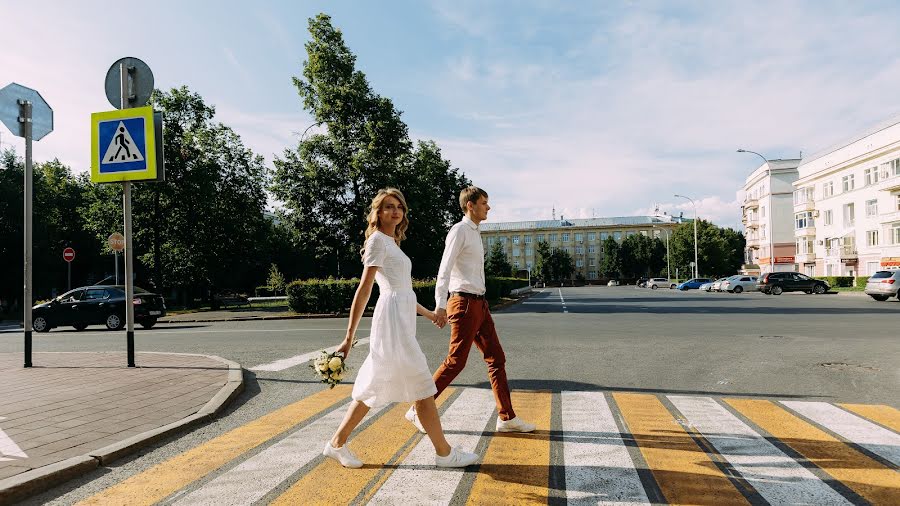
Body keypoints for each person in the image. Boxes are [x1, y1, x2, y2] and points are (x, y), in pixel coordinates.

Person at [323, 188, 479, 469]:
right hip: (391, 322)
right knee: (420, 382)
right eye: (388, 207)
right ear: (377, 213)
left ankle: (336, 443)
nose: (395, 211)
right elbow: (366, 288)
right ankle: (444, 453)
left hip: (401, 317)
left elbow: (402, 291)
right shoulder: (377, 242)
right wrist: (349, 337)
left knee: (379, 382)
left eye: (399, 207)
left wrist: (430, 314)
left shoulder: (392, 243)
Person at [406, 186, 535, 434]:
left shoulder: (476, 233)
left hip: (479, 303)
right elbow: (444, 269)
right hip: (463, 303)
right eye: (484, 202)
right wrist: (440, 305)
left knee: (496, 358)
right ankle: (418, 409)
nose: (489, 207)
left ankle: (506, 418)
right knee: (455, 362)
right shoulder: (460, 231)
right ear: (470, 205)